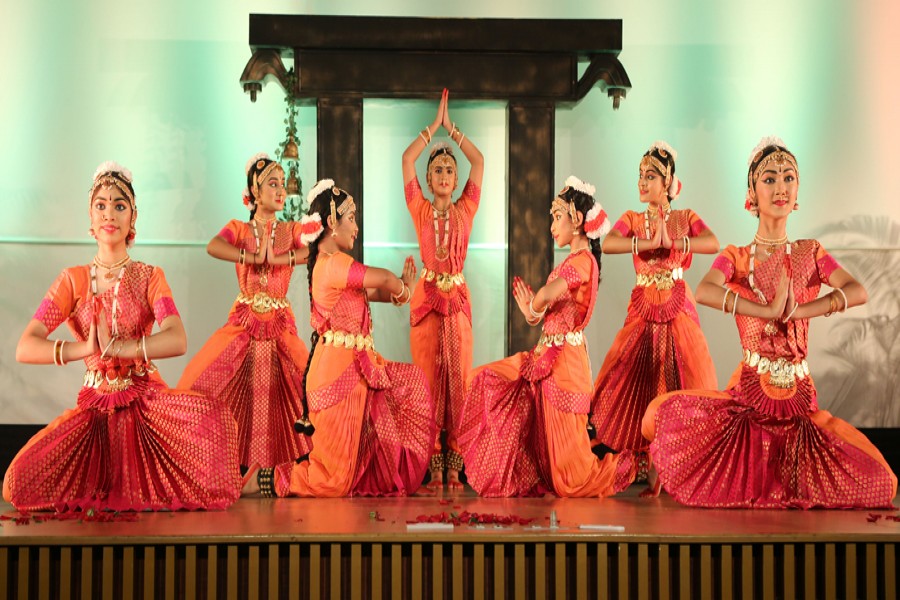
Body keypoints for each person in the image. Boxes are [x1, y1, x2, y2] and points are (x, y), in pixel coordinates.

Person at [642, 137, 897, 508]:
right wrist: (766, 310)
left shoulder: (811, 252)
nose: (781, 187)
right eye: (770, 179)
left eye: (789, 177)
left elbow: (857, 290)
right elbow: (705, 290)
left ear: (798, 191)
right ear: (752, 193)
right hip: (751, 400)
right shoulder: (737, 257)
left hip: (799, 402)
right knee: (660, 415)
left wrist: (799, 310)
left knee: (881, 482)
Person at [3, 162, 240, 512]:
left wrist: (121, 348)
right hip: (95, 412)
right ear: (90, 216)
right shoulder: (73, 280)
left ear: (133, 217)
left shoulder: (149, 276)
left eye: (119, 205)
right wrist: (84, 348)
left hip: (145, 402)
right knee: (16, 484)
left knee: (214, 423)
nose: (109, 214)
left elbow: (177, 338)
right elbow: (26, 346)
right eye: (100, 205)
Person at [243, 180, 435, 497]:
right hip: (338, 376)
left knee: (407, 388)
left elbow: (374, 292)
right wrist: (403, 288)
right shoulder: (333, 263)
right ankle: (267, 478)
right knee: (333, 480)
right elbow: (384, 278)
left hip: (356, 370)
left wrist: (402, 292)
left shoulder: (332, 266)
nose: (356, 228)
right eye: (352, 218)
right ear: (332, 221)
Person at [457, 177, 636, 497]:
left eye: (557, 217)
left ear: (577, 219)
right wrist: (534, 313)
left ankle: (625, 467)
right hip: (545, 361)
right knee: (484, 380)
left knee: (571, 481)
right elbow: (549, 306)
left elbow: (548, 294)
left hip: (564, 368)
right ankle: (510, 473)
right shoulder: (573, 261)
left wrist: (534, 306)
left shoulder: (583, 262)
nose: (552, 225)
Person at [589, 141, 718, 483]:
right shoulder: (633, 218)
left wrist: (674, 243)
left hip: (678, 308)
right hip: (644, 308)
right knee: (638, 378)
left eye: (650, 176)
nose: (642, 182)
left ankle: (673, 464)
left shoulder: (684, 217)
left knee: (683, 377)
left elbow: (712, 242)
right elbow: (609, 243)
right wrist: (648, 243)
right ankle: (646, 461)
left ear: (667, 180)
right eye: (640, 176)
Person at [178, 153, 312, 470]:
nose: (280, 190)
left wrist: (278, 259)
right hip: (245, 320)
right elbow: (214, 246)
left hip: (279, 323)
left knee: (299, 388)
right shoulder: (239, 228)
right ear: (254, 189)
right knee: (211, 382)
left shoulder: (291, 229)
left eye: (282, 184)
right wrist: (250, 257)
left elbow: (314, 248)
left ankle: (279, 466)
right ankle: (235, 465)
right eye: (272, 184)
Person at [401, 88, 484, 490]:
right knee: (428, 382)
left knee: (459, 382)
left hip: (458, 301)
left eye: (450, 170)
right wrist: (433, 128)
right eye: (437, 170)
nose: (445, 175)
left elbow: (479, 162)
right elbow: (406, 159)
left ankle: (455, 461)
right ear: (428, 178)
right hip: (427, 300)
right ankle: (432, 461)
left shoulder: (467, 208)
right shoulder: (419, 208)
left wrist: (453, 130)